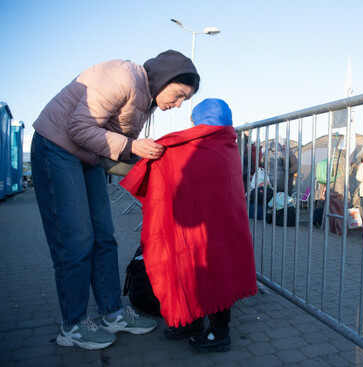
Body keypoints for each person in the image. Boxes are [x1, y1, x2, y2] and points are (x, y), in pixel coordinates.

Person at [31, 49, 200, 350]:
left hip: (87, 156)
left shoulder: (145, 100)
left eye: (183, 100)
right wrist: (133, 146)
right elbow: (79, 127)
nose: (177, 105)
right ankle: (73, 324)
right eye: (178, 95)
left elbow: (112, 146)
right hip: (56, 147)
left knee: (105, 236)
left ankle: (113, 313)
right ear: (164, 79)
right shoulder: (123, 76)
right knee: (77, 239)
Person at [119, 98, 258, 353]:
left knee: (212, 270)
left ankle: (220, 333)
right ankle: (191, 322)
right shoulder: (228, 144)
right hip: (216, 224)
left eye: (194, 121)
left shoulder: (191, 144)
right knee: (199, 268)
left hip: (210, 226)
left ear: (199, 121)